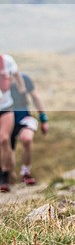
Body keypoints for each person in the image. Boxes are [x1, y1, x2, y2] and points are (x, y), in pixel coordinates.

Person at [9, 72, 49, 185]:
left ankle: (26, 172)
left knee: (27, 139)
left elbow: (36, 97)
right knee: (7, 148)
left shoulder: (24, 79)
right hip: (6, 119)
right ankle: (8, 174)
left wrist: (43, 118)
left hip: (23, 117)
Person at [0, 53, 26, 192]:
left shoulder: (7, 61)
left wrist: (22, 92)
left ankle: (5, 174)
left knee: (4, 139)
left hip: (6, 108)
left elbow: (17, 75)